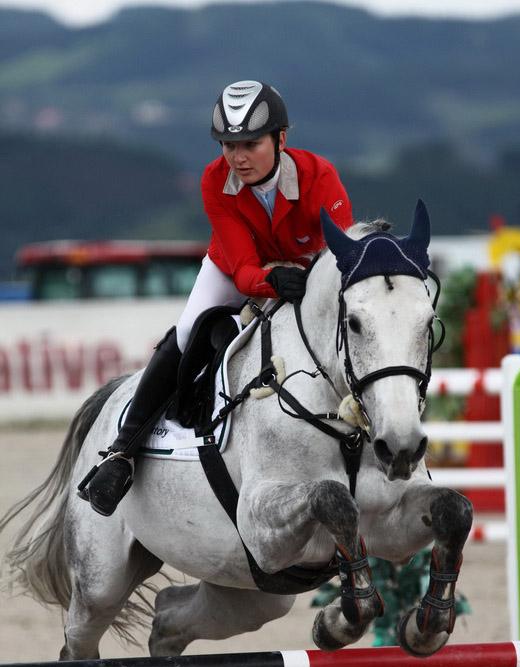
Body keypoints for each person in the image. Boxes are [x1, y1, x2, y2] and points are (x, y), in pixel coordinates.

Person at [81, 79, 353, 516]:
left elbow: (342, 258)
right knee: (189, 328)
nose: (238, 157)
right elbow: (243, 269)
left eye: (251, 144)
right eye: (228, 145)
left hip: (307, 269)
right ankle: (121, 453)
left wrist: (304, 277)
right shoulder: (214, 180)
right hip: (236, 267)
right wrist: (272, 280)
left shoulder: (320, 176)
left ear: (281, 139)